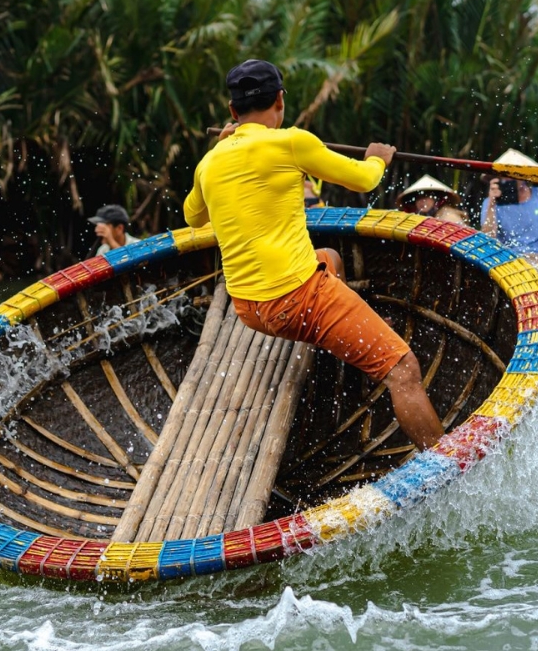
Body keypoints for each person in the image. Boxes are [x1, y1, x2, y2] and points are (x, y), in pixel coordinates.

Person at [184, 58, 443, 450]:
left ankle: (347, 332)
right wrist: (378, 156)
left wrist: (220, 150)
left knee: (329, 258)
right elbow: (365, 179)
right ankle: (449, 465)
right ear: (281, 101)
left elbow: (194, 217)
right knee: (404, 370)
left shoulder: (209, 162)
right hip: (299, 301)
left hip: (249, 309)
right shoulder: (292, 141)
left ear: (233, 112)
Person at [479, 149, 538, 263]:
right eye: (504, 175)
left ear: (524, 176)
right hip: (510, 261)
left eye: (513, 174)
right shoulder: (490, 203)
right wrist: (492, 204)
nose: (508, 179)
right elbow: (487, 242)